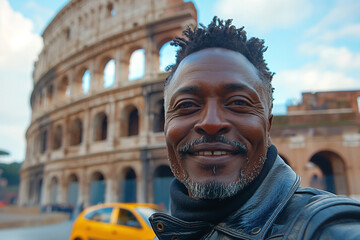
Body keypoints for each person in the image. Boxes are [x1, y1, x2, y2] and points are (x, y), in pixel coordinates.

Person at [149, 17, 360, 239]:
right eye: (187, 105)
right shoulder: (164, 234)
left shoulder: (326, 229)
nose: (210, 123)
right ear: (165, 126)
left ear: (268, 126)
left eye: (238, 102)